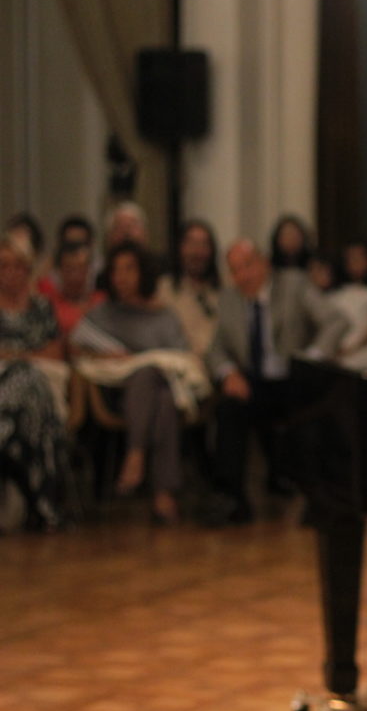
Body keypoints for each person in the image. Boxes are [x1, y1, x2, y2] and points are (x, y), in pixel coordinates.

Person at [206, 239, 349, 522]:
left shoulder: (294, 285)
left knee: (316, 411)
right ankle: (234, 500)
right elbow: (216, 349)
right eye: (234, 270)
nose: (243, 276)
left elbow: (335, 321)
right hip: (255, 383)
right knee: (228, 410)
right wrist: (228, 372)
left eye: (248, 266)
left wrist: (312, 357)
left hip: (295, 380)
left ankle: (318, 500)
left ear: (264, 263)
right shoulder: (230, 299)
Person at [71, 242, 201, 524]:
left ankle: (135, 454)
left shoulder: (164, 315)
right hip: (116, 394)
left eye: (129, 269)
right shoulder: (103, 313)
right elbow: (76, 346)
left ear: (143, 272)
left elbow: (179, 357)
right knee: (149, 381)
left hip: (165, 393)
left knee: (157, 385)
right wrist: (105, 354)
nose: (122, 277)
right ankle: (163, 494)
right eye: (116, 270)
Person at [0, 234, 67, 530]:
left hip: (41, 385)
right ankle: (38, 499)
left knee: (27, 377)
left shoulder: (41, 306)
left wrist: (14, 356)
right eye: (3, 266)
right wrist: (26, 355)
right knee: (21, 377)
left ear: (28, 269)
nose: (11, 272)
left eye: (18, 265)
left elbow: (54, 351)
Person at [158, 220, 221, 358]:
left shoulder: (224, 291)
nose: (197, 251)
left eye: (204, 244)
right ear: (180, 247)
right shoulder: (163, 289)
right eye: (191, 244)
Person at [327, 239, 367, 370]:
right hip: (341, 348)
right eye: (351, 259)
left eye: (359, 258)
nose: (355, 263)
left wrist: (353, 348)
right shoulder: (340, 292)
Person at [39, 242, 104, 336]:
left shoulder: (102, 301)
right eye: (70, 269)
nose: (75, 275)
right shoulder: (47, 305)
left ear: (89, 269)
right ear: (59, 270)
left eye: (81, 268)